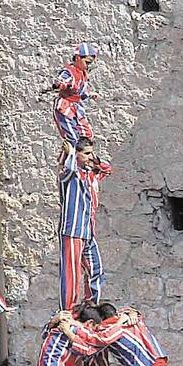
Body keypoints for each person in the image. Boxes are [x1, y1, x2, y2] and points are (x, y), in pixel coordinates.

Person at [57, 137, 113, 310]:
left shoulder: (90, 174)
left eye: (91, 153)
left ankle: (90, 307)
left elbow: (107, 169)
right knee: (72, 275)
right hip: (72, 230)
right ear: (77, 154)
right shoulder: (69, 174)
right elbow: (68, 168)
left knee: (96, 270)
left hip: (88, 231)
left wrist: (93, 157)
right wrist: (71, 153)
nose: (90, 157)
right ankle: (68, 311)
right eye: (86, 153)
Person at [50, 42, 99, 143]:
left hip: (76, 107)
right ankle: (70, 157)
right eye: (87, 62)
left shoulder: (83, 73)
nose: (88, 66)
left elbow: (80, 92)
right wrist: (59, 84)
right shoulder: (69, 72)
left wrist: (89, 94)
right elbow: (62, 81)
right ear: (78, 58)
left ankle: (82, 157)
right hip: (65, 106)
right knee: (72, 137)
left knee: (87, 135)